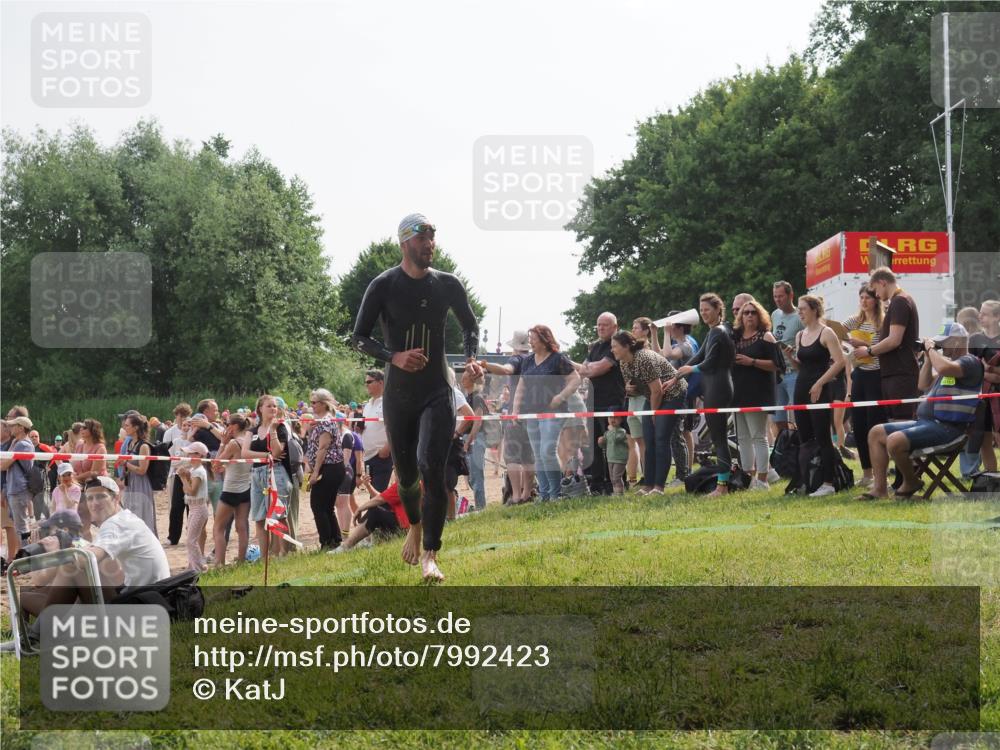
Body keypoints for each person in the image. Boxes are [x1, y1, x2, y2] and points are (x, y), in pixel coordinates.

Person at [351, 213, 481, 581]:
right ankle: (414, 525)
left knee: (431, 468)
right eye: (422, 238)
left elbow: (470, 325)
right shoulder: (383, 285)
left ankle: (431, 556)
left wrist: (471, 358)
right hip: (399, 395)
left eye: (432, 237)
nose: (429, 245)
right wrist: (394, 357)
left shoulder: (447, 284)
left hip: (437, 390)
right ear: (404, 243)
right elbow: (358, 337)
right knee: (407, 476)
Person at [20, 476, 170, 619]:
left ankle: (43, 625)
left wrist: (55, 552)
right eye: (90, 498)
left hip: (141, 604)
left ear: (116, 498)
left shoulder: (115, 525)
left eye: (101, 497)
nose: (94, 503)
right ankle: (36, 628)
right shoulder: (125, 518)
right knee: (69, 575)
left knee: (73, 568)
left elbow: (86, 560)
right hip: (151, 596)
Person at [863, 323, 984, 500]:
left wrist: (931, 349)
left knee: (895, 441)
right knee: (876, 433)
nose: (940, 346)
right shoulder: (951, 366)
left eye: (944, 342)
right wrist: (928, 358)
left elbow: (943, 368)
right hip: (927, 423)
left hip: (949, 428)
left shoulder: (970, 362)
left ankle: (911, 481)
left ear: (958, 342)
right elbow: (922, 384)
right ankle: (880, 489)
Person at [669, 293, 736, 496]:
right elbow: (698, 356)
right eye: (701, 310)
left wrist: (690, 370)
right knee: (718, 437)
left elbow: (709, 362)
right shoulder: (714, 331)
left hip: (719, 387)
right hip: (715, 386)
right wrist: (675, 376)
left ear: (718, 309)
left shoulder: (719, 331)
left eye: (707, 309)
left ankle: (722, 486)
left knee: (719, 438)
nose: (704, 313)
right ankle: (722, 483)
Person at [512, 325, 581, 501]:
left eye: (533, 339)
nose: (530, 342)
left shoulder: (558, 359)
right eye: (530, 339)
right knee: (538, 455)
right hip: (531, 413)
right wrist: (515, 410)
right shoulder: (527, 361)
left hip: (554, 412)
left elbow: (575, 380)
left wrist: (560, 397)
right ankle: (544, 495)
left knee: (547, 451)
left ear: (544, 340)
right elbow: (521, 386)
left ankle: (555, 494)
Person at [611, 331, 685, 494]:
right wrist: (629, 389)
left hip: (672, 394)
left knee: (660, 438)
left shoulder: (644, 358)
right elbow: (638, 388)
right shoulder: (624, 363)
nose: (612, 350)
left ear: (626, 346)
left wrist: (653, 413)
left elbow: (658, 390)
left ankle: (659, 487)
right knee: (648, 439)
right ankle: (648, 485)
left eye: (615, 346)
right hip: (652, 396)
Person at [792, 295, 848, 497]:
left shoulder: (827, 332)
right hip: (801, 387)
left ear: (815, 310)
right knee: (805, 436)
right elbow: (801, 366)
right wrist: (790, 357)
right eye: (798, 309)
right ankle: (808, 479)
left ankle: (829, 482)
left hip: (820, 388)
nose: (799, 313)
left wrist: (820, 383)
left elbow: (840, 362)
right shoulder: (800, 335)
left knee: (823, 435)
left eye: (803, 309)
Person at [478, 331, 535, 505]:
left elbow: (505, 370)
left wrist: (485, 364)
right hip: (534, 414)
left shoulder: (516, 360)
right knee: (529, 457)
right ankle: (528, 493)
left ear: (514, 347)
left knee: (512, 457)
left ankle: (516, 496)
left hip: (515, 414)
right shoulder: (536, 359)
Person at [856, 267, 920, 421]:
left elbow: (894, 340)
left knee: (900, 425)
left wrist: (869, 351)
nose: (876, 295)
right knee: (894, 424)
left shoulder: (900, 301)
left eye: (875, 290)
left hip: (900, 374)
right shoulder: (900, 301)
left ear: (882, 282)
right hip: (895, 373)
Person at [731, 299, 782, 490]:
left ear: (759, 315)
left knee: (758, 436)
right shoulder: (735, 338)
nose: (749, 315)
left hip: (758, 393)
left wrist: (752, 361)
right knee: (742, 438)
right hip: (738, 393)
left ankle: (763, 479)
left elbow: (777, 365)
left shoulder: (766, 336)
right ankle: (748, 477)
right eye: (746, 313)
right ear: (740, 316)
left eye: (753, 312)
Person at [572, 312, 625, 495]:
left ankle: (616, 483)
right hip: (593, 402)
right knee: (592, 445)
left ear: (614, 327)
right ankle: (596, 484)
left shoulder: (615, 347)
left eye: (605, 325)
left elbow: (596, 369)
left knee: (613, 444)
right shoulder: (594, 347)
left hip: (612, 402)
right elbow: (582, 370)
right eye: (599, 324)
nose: (601, 328)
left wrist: (567, 361)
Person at [844, 284, 886, 488]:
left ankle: (881, 475)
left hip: (876, 376)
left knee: (874, 425)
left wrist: (865, 348)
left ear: (876, 300)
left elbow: (884, 348)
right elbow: (837, 330)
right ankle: (867, 473)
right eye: (861, 297)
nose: (864, 301)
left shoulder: (882, 322)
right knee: (858, 426)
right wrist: (849, 341)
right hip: (858, 374)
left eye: (867, 298)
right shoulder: (855, 319)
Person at [651, 312, 701, 484]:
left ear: (678, 326)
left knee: (677, 435)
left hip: (684, 394)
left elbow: (668, 355)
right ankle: (683, 473)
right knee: (675, 435)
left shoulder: (687, 344)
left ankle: (683, 474)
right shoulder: (677, 343)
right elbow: (658, 354)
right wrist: (653, 333)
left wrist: (664, 332)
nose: (669, 328)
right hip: (677, 394)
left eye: (670, 325)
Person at [243, 394, 293, 560]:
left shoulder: (280, 428)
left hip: (277, 472)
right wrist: (267, 454)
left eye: (275, 406)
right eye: (269, 406)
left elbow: (278, 452)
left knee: (278, 516)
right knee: (259, 517)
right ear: (260, 409)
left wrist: (272, 430)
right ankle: (264, 558)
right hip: (257, 474)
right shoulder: (252, 431)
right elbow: (245, 453)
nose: (273, 408)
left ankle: (283, 555)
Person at [304, 388, 347, 551]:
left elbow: (323, 448)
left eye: (314, 402)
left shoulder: (326, 421)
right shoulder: (321, 420)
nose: (311, 406)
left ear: (323, 404)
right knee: (327, 506)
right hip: (331, 468)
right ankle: (334, 539)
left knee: (318, 505)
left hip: (329, 468)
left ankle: (327, 542)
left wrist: (315, 472)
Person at [966, 300, 1000, 475]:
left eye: (985, 314)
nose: (980, 316)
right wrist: (987, 373)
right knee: (985, 439)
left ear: (997, 317)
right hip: (981, 396)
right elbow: (969, 368)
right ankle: (993, 478)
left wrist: (990, 369)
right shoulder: (975, 339)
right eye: (980, 312)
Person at [213, 414, 252, 566]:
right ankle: (241, 561)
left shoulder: (233, 443)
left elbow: (216, 465)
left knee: (218, 528)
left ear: (234, 426)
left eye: (227, 424)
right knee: (241, 526)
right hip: (245, 489)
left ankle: (219, 563)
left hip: (230, 489)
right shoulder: (249, 441)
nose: (225, 427)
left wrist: (222, 443)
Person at [335, 472, 409, 552]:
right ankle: (366, 540)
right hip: (405, 529)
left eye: (395, 469)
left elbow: (380, 499)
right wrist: (368, 485)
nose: (393, 471)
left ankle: (346, 546)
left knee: (375, 512)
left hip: (405, 531)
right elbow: (383, 497)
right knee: (377, 508)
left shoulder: (404, 484)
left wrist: (360, 509)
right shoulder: (410, 482)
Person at [771, 281, 805, 435]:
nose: (778, 300)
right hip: (778, 372)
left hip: (794, 372)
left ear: (791, 295)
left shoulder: (800, 316)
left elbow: (808, 341)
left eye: (781, 296)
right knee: (778, 417)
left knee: (799, 415)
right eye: (775, 296)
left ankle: (803, 446)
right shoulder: (774, 314)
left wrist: (795, 351)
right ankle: (786, 447)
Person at [0, 416, 36, 541]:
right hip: (15, 488)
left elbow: (3, 465)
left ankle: (26, 556)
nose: (10, 428)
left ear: (21, 428)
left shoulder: (23, 444)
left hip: (19, 489)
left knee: (21, 527)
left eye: (13, 425)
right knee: (19, 525)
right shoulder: (17, 442)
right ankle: (23, 554)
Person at [120, 413, 156, 535]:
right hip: (130, 482)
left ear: (135, 428)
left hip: (141, 483)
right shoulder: (130, 444)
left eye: (127, 425)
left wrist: (126, 463)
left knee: (142, 514)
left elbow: (142, 470)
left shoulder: (144, 446)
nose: (125, 428)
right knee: (130, 513)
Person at [70, 418, 107, 541]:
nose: (81, 429)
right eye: (81, 427)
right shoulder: (80, 444)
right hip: (80, 487)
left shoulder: (100, 448)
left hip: (96, 487)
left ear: (93, 430)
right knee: (83, 522)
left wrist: (75, 477)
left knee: (102, 522)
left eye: (85, 427)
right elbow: (74, 463)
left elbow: (94, 472)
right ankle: (87, 550)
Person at [177, 442, 210, 571]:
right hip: (193, 508)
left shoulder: (198, 472)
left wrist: (183, 478)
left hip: (199, 508)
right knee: (191, 540)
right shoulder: (194, 470)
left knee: (191, 541)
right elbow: (187, 490)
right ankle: (193, 566)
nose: (187, 455)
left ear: (198, 455)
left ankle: (198, 567)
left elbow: (191, 491)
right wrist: (183, 477)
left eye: (190, 453)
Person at [164, 402, 194, 545]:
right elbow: (170, 458)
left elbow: (195, 458)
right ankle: (173, 536)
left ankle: (192, 535)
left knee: (191, 506)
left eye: (186, 418)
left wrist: (185, 464)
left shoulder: (195, 439)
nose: (183, 421)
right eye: (180, 416)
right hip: (176, 474)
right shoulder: (171, 434)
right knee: (176, 506)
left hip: (192, 475)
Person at [361, 370, 393, 492]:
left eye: (369, 382)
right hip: (368, 456)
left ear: (381, 382)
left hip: (382, 455)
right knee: (372, 493)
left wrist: (387, 447)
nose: (366, 385)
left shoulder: (388, 402)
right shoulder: (368, 404)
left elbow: (395, 427)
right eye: (365, 382)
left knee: (379, 495)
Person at [598, 415, 629, 495]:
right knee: (612, 478)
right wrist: (601, 442)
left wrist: (612, 430)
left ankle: (619, 493)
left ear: (621, 419)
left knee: (616, 477)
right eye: (610, 417)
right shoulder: (607, 433)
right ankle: (616, 492)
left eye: (615, 417)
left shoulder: (622, 431)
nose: (612, 420)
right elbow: (604, 445)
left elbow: (615, 439)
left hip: (619, 458)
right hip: (610, 458)